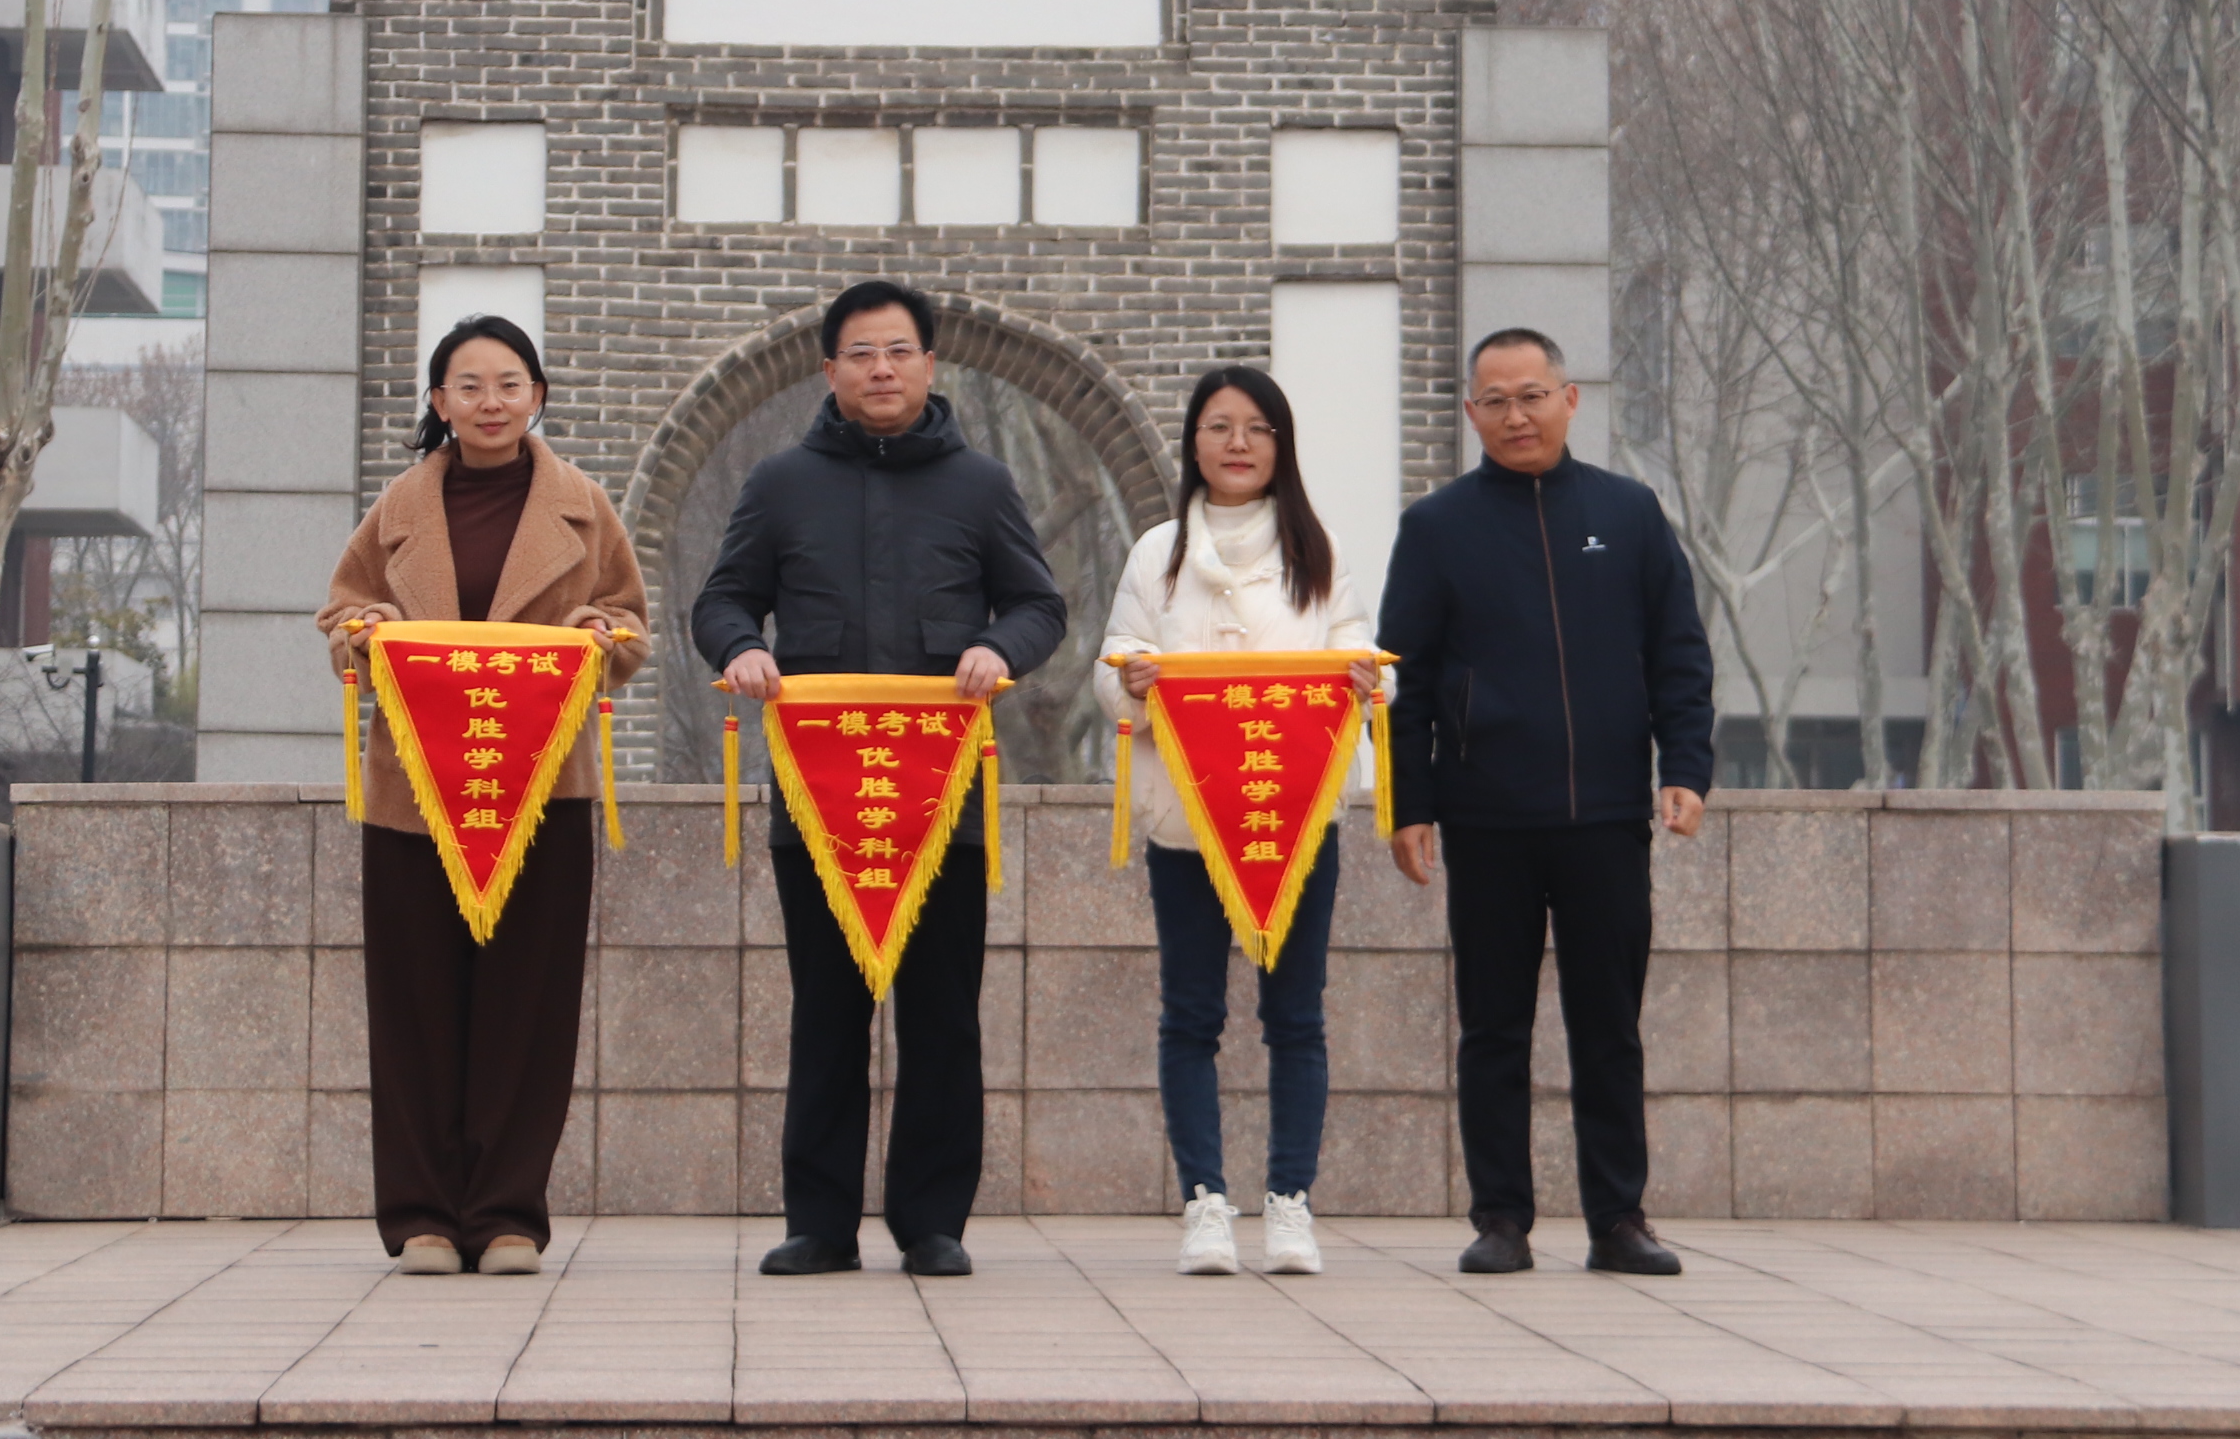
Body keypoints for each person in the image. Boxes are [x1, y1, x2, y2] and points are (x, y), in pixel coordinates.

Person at [693, 279, 1068, 1280]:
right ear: (830, 371)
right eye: (860, 353)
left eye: (899, 350)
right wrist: (741, 648)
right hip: (818, 798)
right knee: (827, 1011)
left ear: (930, 364)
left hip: (945, 800)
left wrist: (999, 648)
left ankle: (932, 1221)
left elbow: (1039, 605)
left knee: (942, 1012)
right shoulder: (780, 483)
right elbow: (722, 600)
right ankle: (819, 1223)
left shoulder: (981, 485)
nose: (882, 369)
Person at [1377, 327, 1713, 1277]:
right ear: (1471, 413)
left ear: (1570, 399)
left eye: (1532, 395)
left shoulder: (1628, 512)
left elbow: (1678, 652)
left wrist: (1686, 766)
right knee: (1493, 1030)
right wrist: (1409, 803)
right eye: (1496, 400)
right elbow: (1404, 678)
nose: (1515, 415)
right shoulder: (1437, 527)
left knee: (1609, 1027)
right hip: (1486, 818)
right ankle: (1501, 1219)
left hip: (1607, 816)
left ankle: (1619, 1220)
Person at [320, 315, 648, 1277]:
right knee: (415, 1004)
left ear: (537, 396)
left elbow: (629, 620)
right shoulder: (398, 508)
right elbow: (341, 610)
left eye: (509, 384)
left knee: (528, 1005)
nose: (490, 402)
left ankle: (508, 1214)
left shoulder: (585, 507)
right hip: (413, 794)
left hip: (545, 788)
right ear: (439, 402)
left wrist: (600, 633)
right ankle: (422, 1215)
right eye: (469, 386)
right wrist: (363, 628)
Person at [1095, 365, 1378, 1279]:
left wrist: (1366, 681)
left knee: (1295, 1017)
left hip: (1295, 819)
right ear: (1194, 443)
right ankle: (1205, 1203)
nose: (1238, 443)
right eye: (1219, 426)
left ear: (1280, 444)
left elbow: (1360, 657)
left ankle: (1290, 1201)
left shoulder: (1317, 549)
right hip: (1186, 822)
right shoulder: (1158, 553)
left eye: (1257, 427)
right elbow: (1113, 666)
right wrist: (1133, 681)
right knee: (1191, 1015)